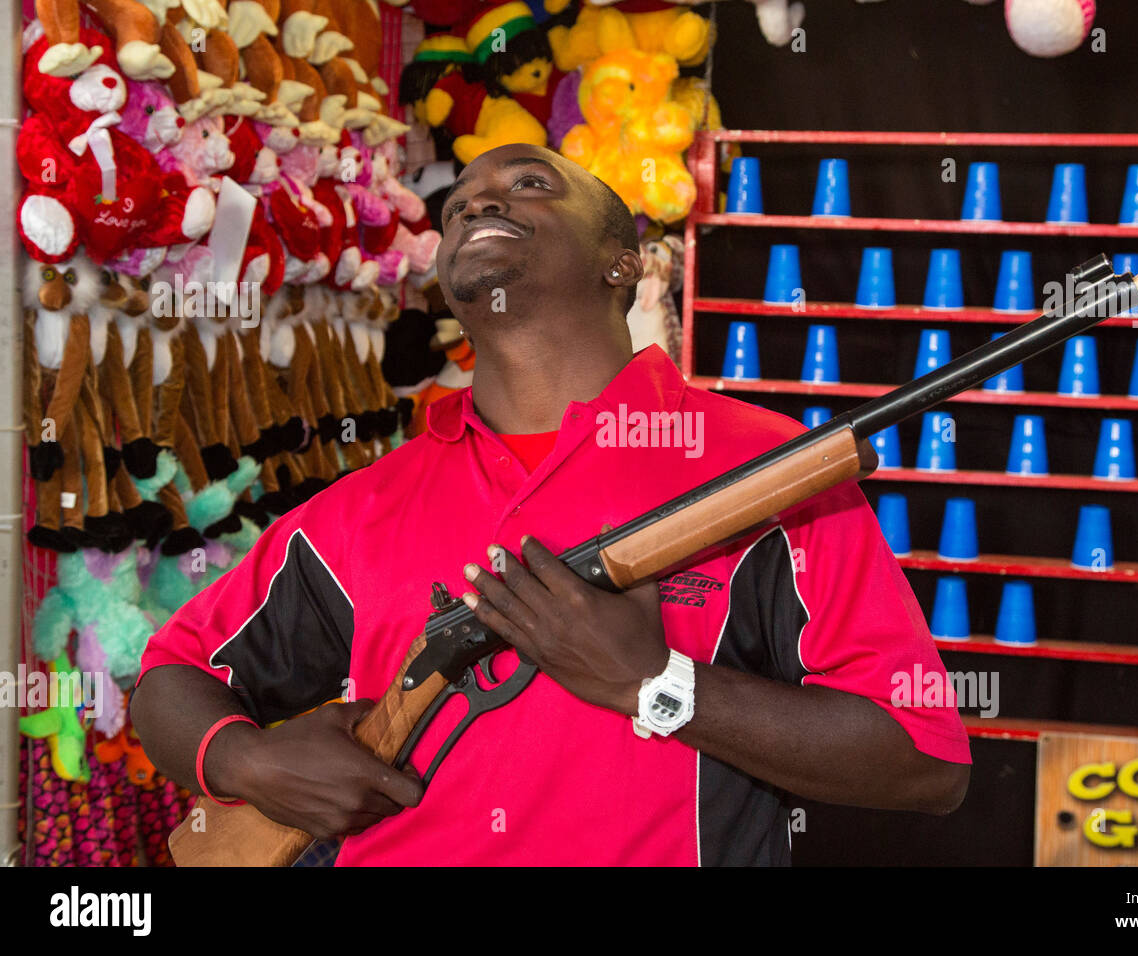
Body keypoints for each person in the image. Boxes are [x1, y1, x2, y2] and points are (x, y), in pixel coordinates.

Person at [132, 143, 971, 866]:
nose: (480, 201)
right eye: (458, 206)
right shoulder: (359, 510)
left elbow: (925, 760)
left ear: (622, 262)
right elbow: (170, 678)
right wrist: (246, 764)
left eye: (530, 184)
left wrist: (657, 685)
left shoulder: (762, 471)